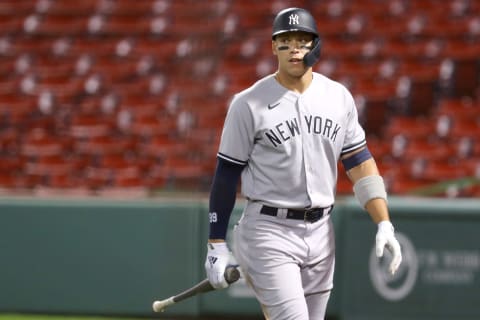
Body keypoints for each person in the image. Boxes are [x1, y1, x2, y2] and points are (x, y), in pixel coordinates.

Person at [204, 7, 402, 320]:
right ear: (273, 47)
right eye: (285, 41)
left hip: (322, 231)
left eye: (302, 40)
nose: (294, 48)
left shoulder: (338, 97)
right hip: (269, 231)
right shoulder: (247, 103)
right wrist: (216, 243)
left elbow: (360, 162)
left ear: (316, 46)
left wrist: (384, 223)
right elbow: (227, 174)